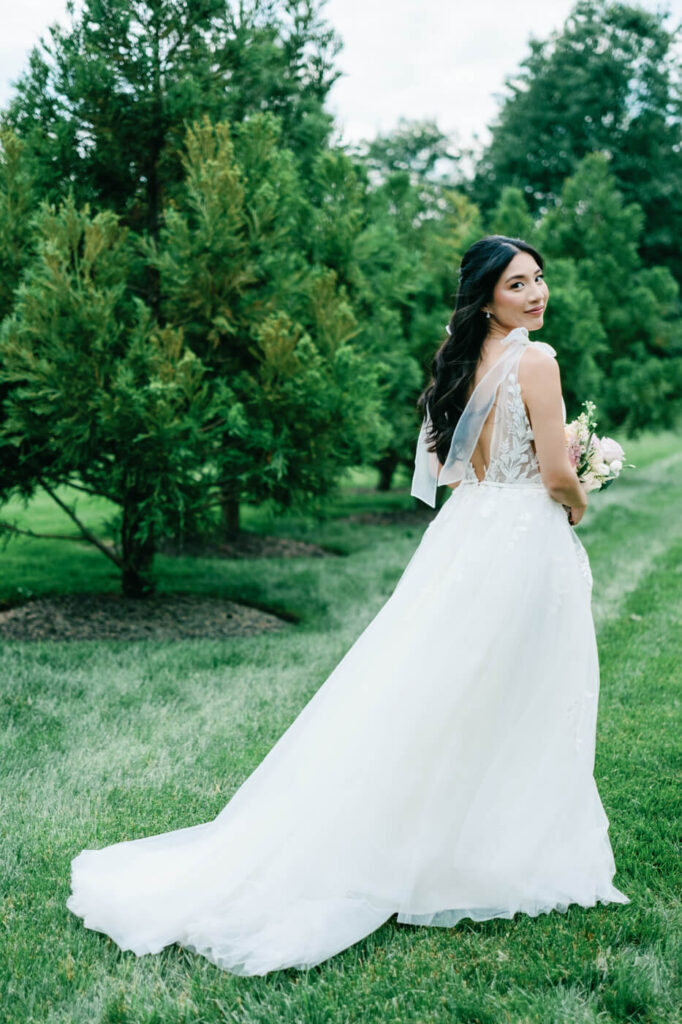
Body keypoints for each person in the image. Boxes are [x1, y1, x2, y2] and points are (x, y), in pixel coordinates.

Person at [67, 235, 630, 976]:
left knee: (442, 688)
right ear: (488, 296)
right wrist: (581, 500)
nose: (536, 295)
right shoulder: (538, 359)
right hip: (524, 535)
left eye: (539, 280)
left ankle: (434, 835)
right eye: (518, 284)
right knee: (519, 688)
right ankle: (485, 848)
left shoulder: (461, 359)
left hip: (467, 535)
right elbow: (556, 470)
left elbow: (456, 473)